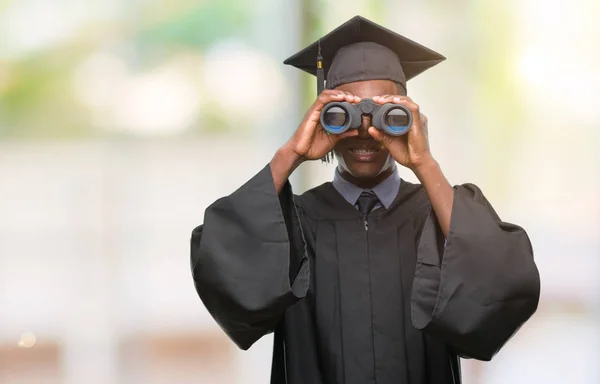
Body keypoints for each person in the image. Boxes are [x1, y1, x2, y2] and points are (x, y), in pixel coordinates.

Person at [190, 15, 540, 384]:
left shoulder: (440, 213)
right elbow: (219, 269)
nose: (364, 129)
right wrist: (291, 153)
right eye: (345, 111)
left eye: (384, 113)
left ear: (406, 115)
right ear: (322, 118)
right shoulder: (295, 221)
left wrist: (424, 162)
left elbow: (505, 286)